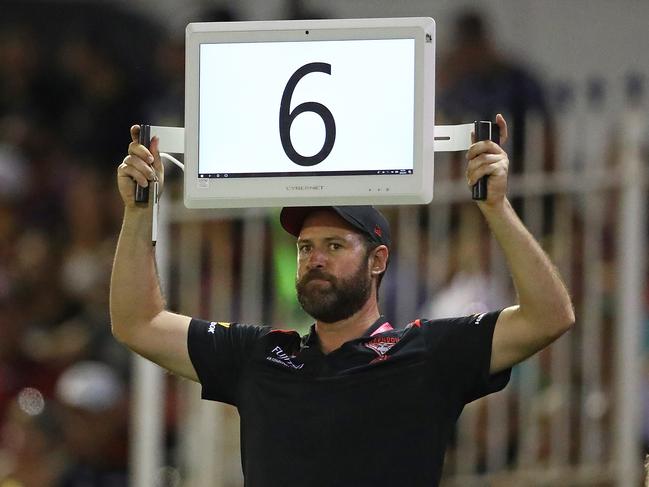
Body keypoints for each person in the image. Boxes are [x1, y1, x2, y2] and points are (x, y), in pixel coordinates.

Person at [111, 114, 574, 486]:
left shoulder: (427, 353)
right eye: (305, 247)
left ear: (378, 261)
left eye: (334, 246)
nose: (314, 258)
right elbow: (138, 322)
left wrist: (496, 207)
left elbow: (550, 316)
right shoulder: (259, 355)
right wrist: (137, 213)